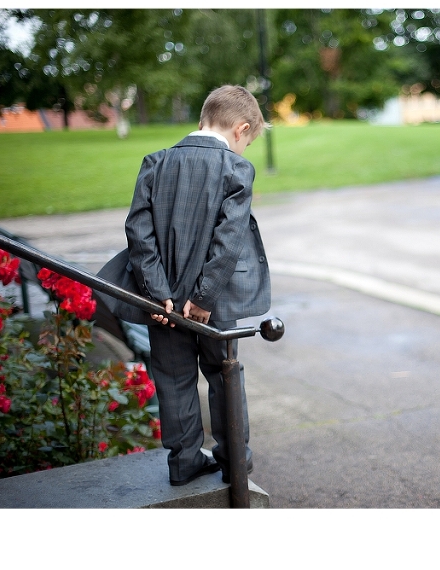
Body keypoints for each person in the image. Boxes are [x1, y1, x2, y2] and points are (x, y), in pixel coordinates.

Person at [124, 85, 271, 486]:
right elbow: (229, 240)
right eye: (249, 141)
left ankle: (184, 461)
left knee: (173, 378)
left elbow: (139, 234)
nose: (244, 150)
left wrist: (158, 294)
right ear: (241, 129)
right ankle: (233, 458)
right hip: (214, 304)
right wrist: (203, 297)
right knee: (224, 374)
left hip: (162, 301)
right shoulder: (235, 169)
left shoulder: (156, 162)